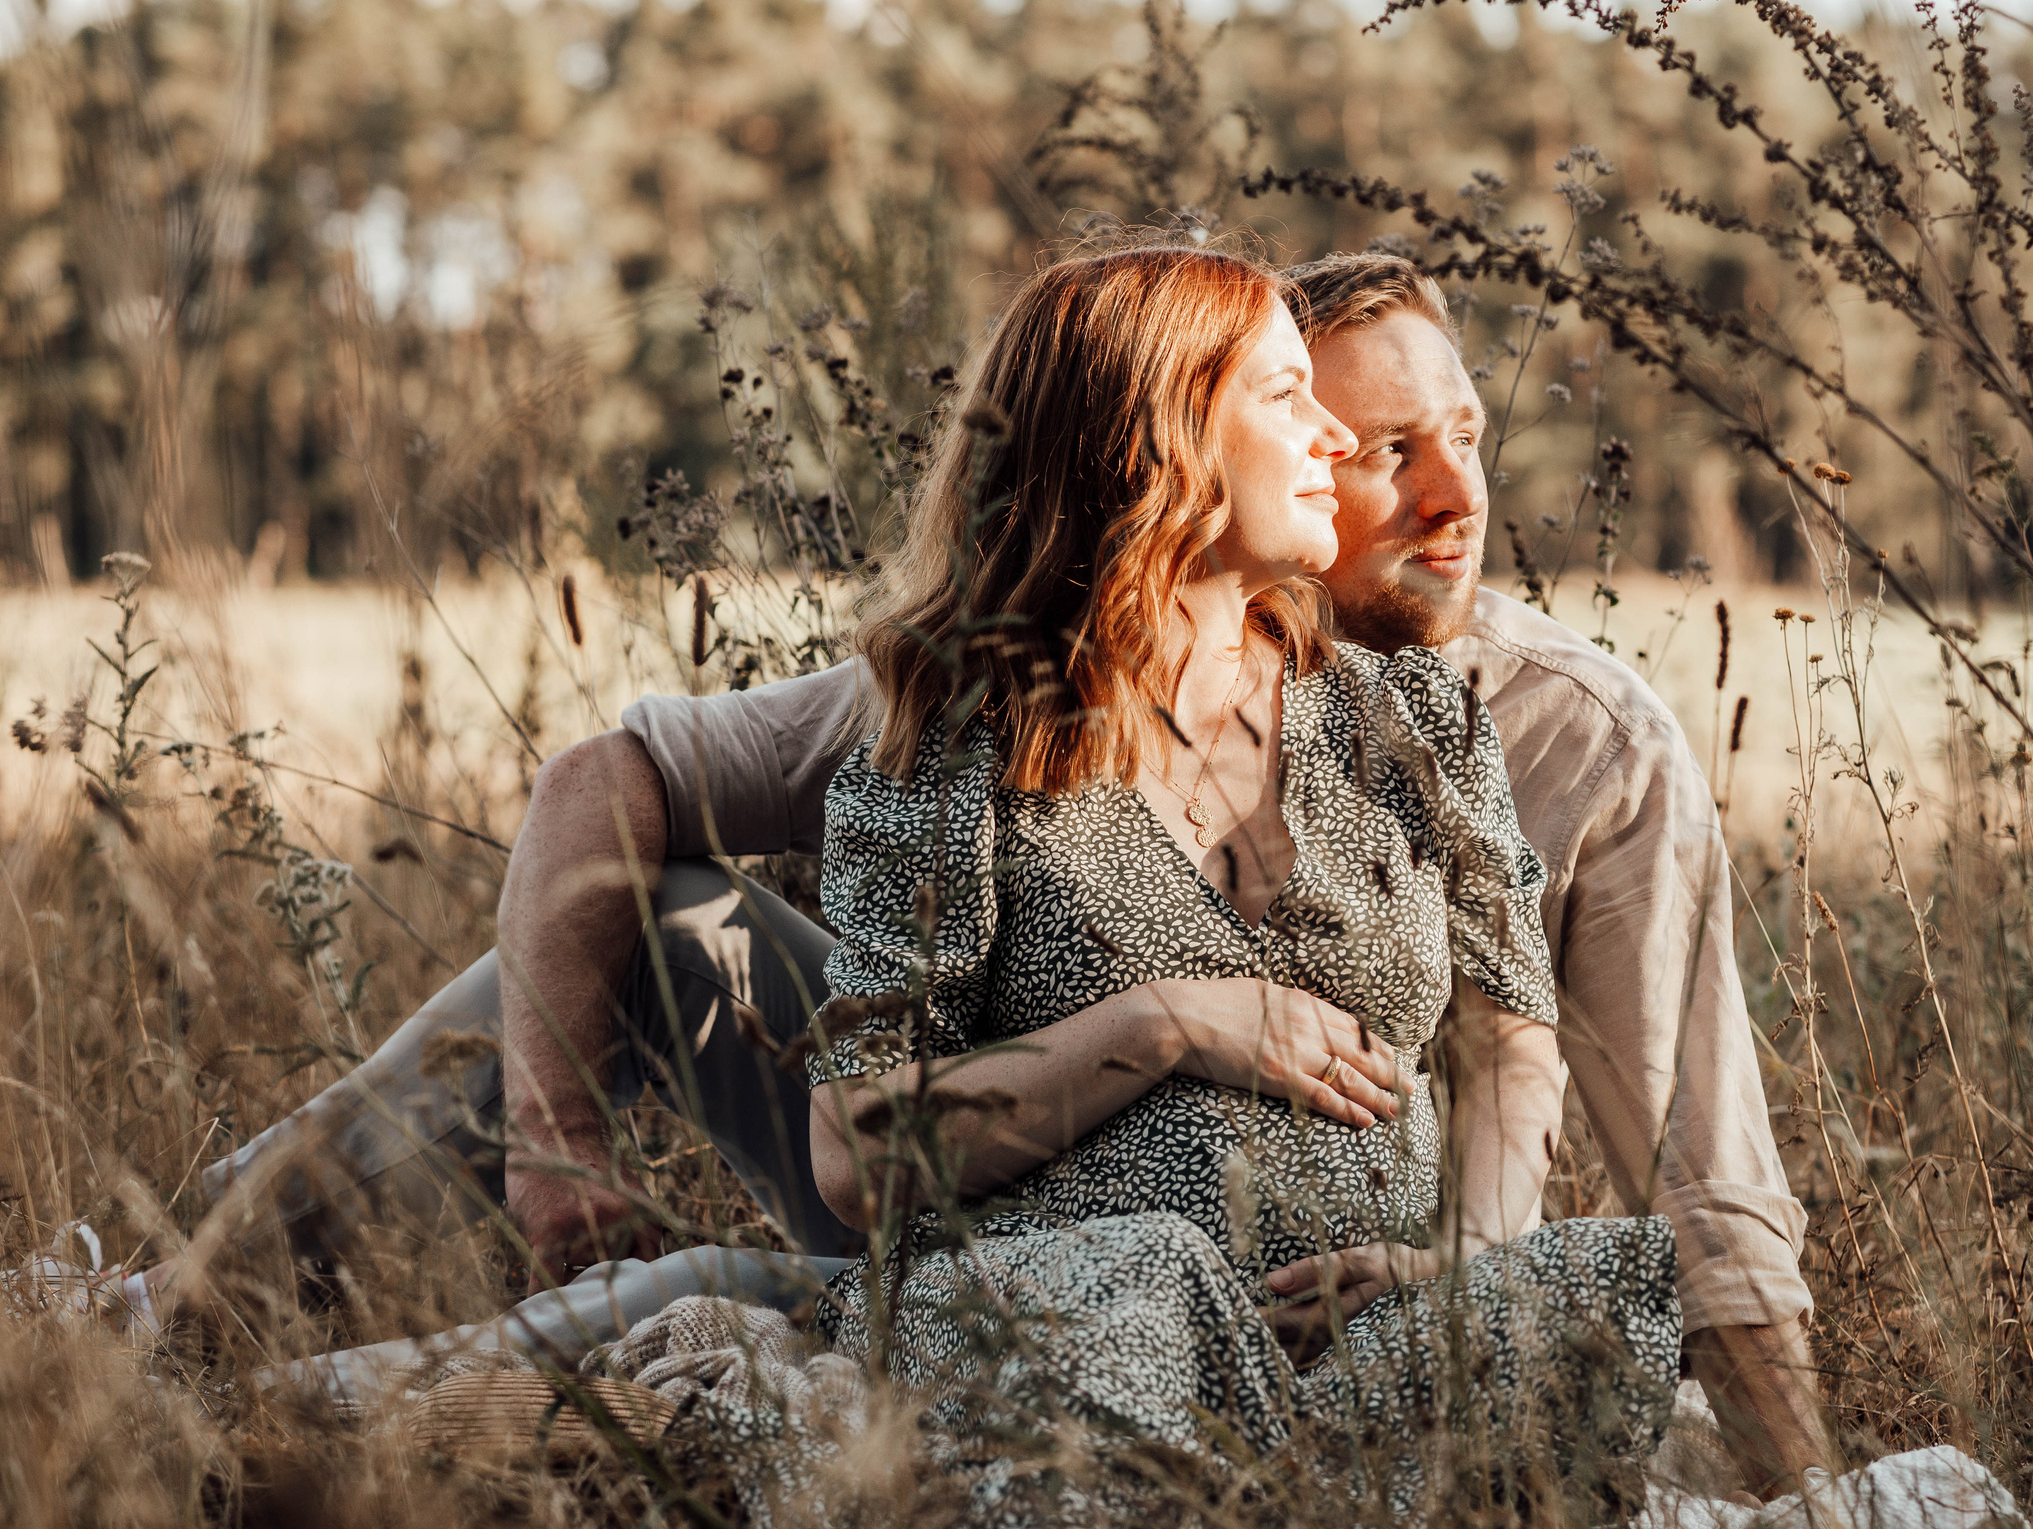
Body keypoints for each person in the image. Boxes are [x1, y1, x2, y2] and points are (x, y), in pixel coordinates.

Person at [129, 251, 1828, 1496]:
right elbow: (610, 779)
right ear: (1178, 455)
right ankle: (166, 1293)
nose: (1447, 495)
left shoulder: (1554, 732)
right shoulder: (979, 691)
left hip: (1317, 1275)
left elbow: (1640, 1123)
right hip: (982, 1190)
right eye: (1370, 437)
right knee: (672, 927)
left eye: (1460, 434)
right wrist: (561, 1135)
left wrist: (1507, 1298)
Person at [788, 244, 1675, 1516]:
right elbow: (858, 1152)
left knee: (1580, 1296)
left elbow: (1506, 1035)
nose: (1331, 433)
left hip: (1375, 1329)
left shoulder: (1408, 717)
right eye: (1282, 395)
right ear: (1150, 445)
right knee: (1142, 1290)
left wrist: (1460, 1253)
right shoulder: (960, 749)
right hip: (1082, 1330)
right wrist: (1162, 1025)